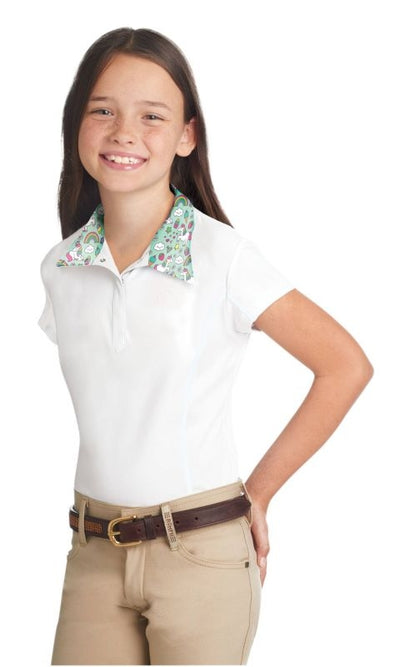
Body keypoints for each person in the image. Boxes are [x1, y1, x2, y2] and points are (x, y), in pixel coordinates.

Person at [37, 26, 374, 666]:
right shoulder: (61, 267)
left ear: (187, 136)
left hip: (200, 554)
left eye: (152, 116)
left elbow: (344, 365)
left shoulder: (223, 257)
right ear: (75, 124)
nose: (124, 132)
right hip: (93, 553)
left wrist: (260, 492)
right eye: (102, 110)